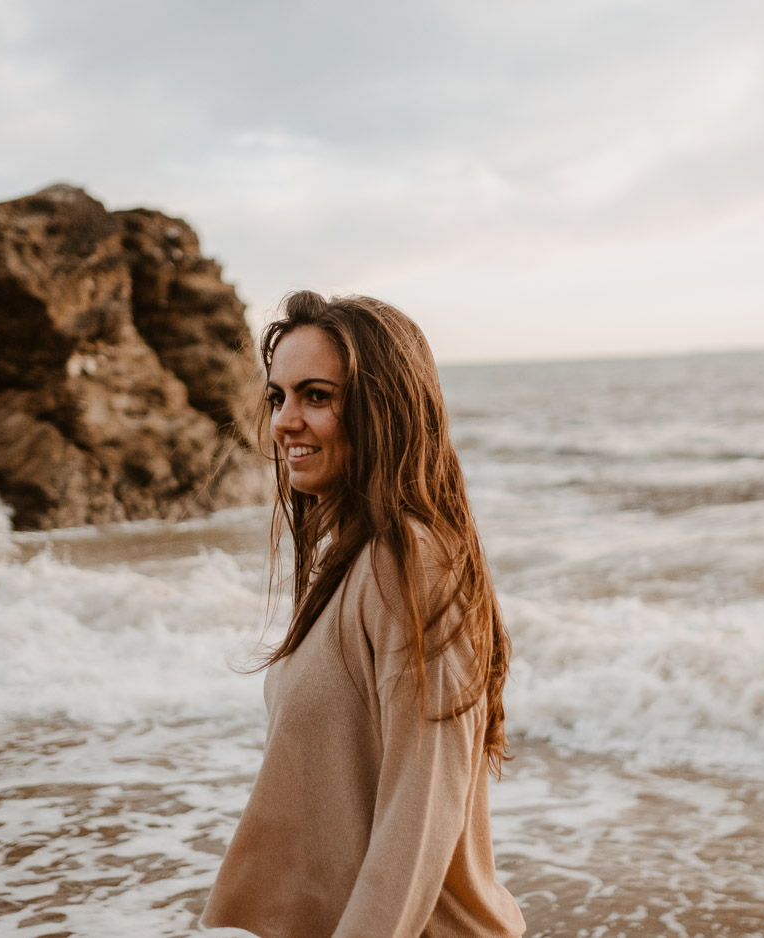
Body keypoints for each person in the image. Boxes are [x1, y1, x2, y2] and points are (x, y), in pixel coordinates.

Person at [201, 292, 526, 938]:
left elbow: (420, 811)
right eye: (277, 398)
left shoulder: (408, 562)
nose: (285, 422)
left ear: (383, 408)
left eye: (316, 396)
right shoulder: (350, 561)